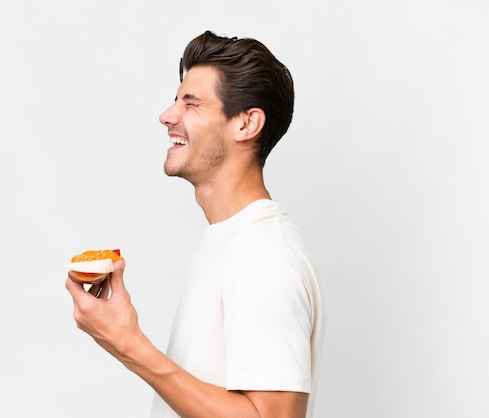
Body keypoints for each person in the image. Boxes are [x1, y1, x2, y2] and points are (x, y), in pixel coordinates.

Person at [66, 30, 324, 418]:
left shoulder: (264, 254)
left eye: (191, 103)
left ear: (246, 124)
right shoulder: (229, 240)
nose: (167, 115)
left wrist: (130, 346)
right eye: (175, 100)